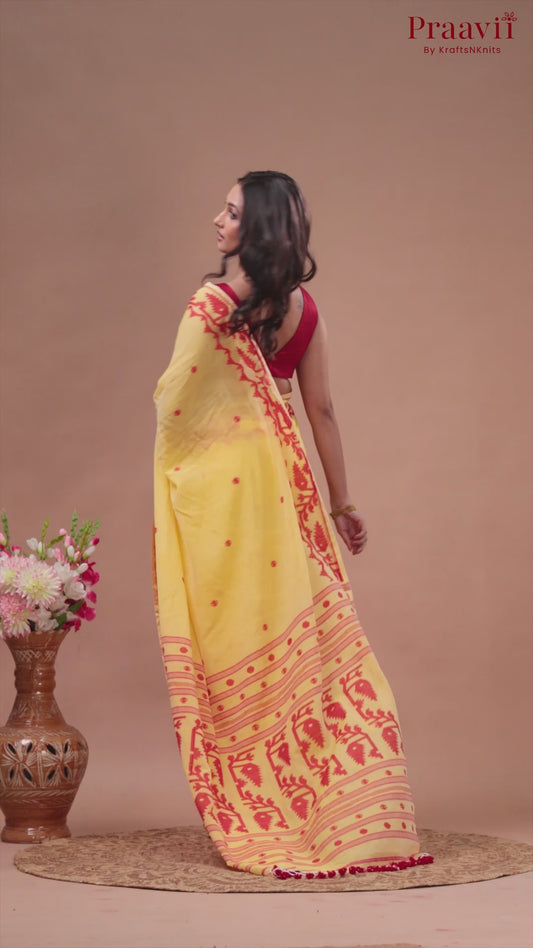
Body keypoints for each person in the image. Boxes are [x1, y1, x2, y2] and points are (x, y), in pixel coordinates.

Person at [153, 171, 432, 878]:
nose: (216, 220)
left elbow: (174, 402)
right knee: (309, 634)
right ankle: (337, 808)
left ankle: (270, 806)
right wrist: (342, 504)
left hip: (225, 493)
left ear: (256, 228)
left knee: (241, 630)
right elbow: (321, 411)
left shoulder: (213, 305)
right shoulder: (305, 312)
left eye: (230, 212)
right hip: (286, 486)